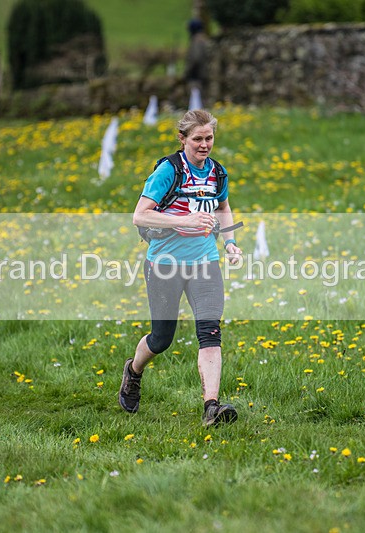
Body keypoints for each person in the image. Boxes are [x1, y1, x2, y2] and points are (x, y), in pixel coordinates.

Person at [119, 109, 242, 426]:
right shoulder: (168, 171)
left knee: (210, 332)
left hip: (205, 261)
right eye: (198, 139)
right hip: (165, 264)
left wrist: (229, 243)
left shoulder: (216, 173)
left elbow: (224, 208)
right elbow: (140, 215)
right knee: (161, 339)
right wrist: (183, 220)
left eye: (209, 138)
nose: (205, 145)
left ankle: (210, 408)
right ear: (183, 139)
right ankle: (133, 371)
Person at [184, 19, 209, 93]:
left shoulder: (197, 41)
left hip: (196, 78)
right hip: (205, 77)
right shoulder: (205, 39)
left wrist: (186, 73)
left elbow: (196, 58)